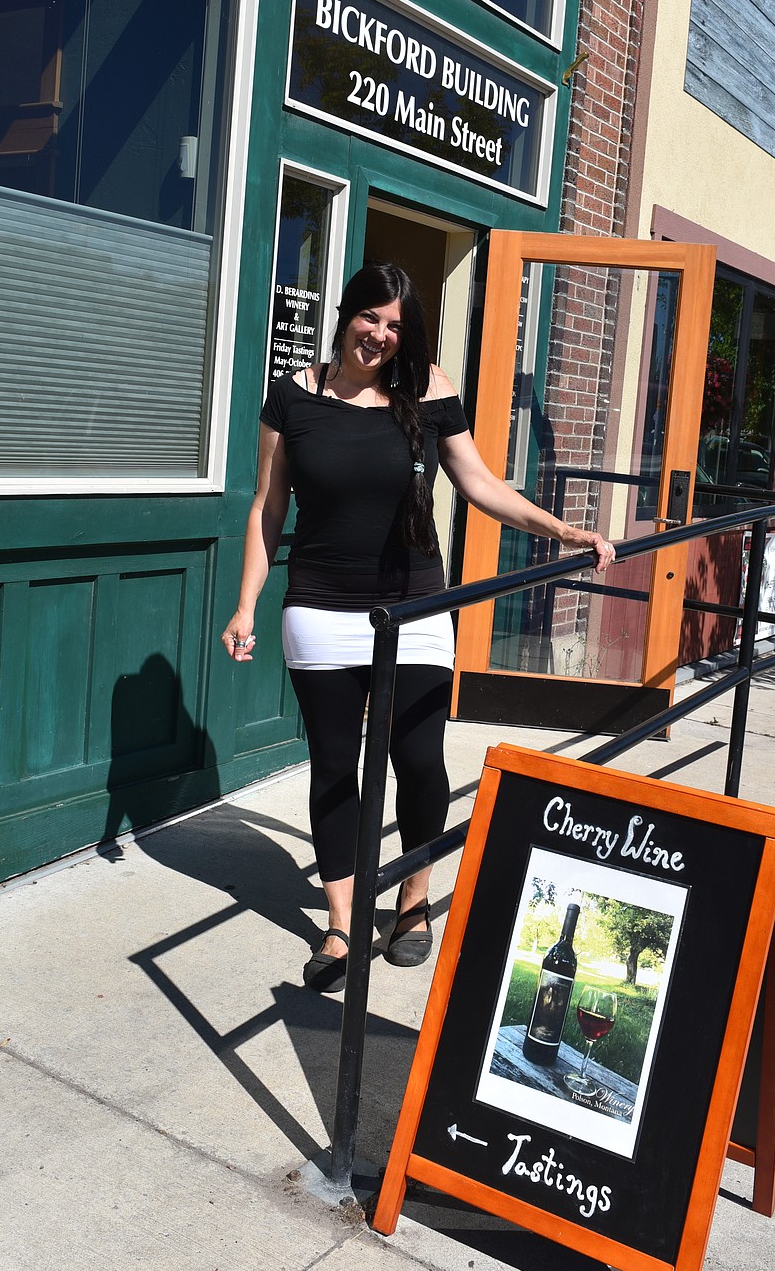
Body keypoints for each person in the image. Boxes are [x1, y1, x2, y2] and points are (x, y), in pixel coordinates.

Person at [222, 261, 615, 992]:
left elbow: (479, 484)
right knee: (337, 767)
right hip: (320, 607)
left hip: (416, 607)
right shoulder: (292, 398)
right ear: (346, 313)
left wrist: (561, 530)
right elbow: (266, 507)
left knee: (420, 759)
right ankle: (341, 925)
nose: (380, 334)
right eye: (371, 317)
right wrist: (246, 604)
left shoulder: (426, 392)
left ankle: (412, 902)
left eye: (396, 325)